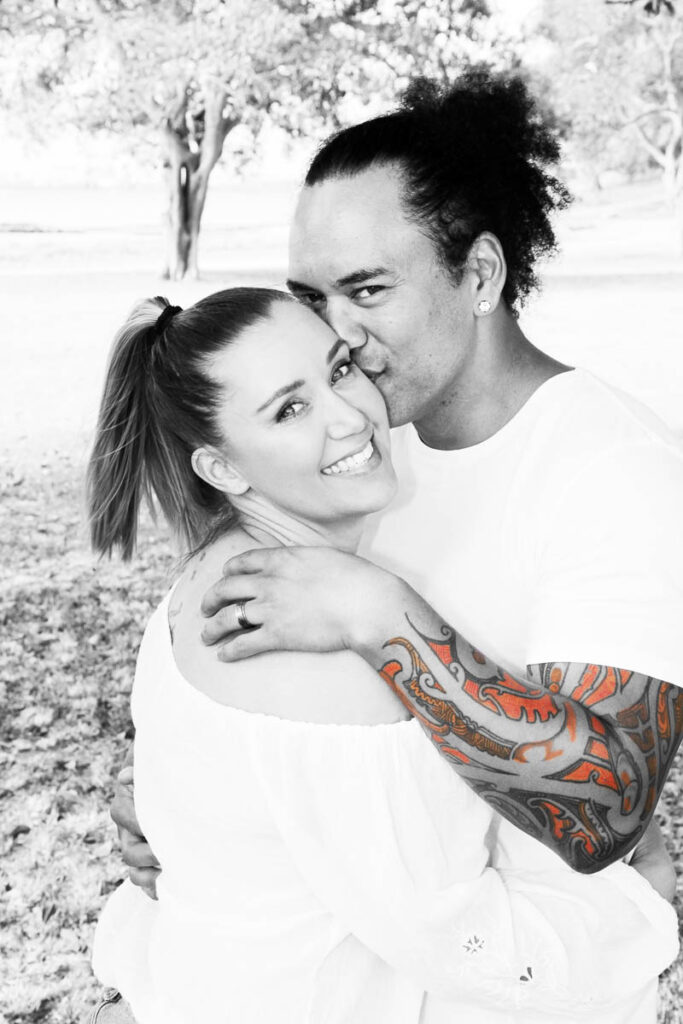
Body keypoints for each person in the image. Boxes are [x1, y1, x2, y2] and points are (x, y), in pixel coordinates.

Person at [88, 286, 677, 1024]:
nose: (350, 416)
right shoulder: (322, 661)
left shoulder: (206, 583)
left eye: (339, 369)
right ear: (223, 470)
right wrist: (634, 905)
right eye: (289, 409)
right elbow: (460, 943)